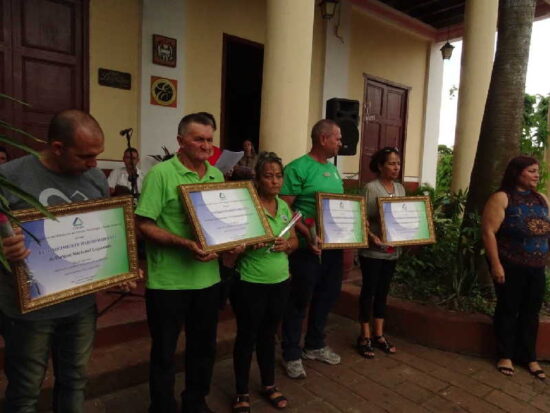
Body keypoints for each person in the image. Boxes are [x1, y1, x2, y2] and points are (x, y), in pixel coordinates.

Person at [0, 109, 109, 412]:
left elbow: (104, 230)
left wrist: (118, 265)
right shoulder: (10, 178)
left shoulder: (96, 179)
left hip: (81, 305)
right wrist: (4, 249)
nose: (94, 164)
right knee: (25, 391)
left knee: (75, 381)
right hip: (29, 310)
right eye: (86, 156)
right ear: (57, 147)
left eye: (97, 155)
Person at [135, 112, 225, 413]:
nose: (205, 145)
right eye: (198, 139)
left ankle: (195, 402)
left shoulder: (216, 176)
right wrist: (184, 244)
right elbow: (143, 224)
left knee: (204, 349)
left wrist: (229, 242)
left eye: (210, 139)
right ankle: (161, 406)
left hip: (208, 280)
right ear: (180, 141)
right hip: (168, 282)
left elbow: (220, 223)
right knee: (164, 352)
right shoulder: (160, 174)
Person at [230, 152, 298, 412]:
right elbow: (232, 243)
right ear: (257, 179)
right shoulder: (247, 206)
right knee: (247, 337)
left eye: (278, 176)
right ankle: (241, 391)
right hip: (250, 283)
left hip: (280, 281)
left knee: (269, 336)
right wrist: (247, 244)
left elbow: (294, 241)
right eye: (268, 176)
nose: (275, 181)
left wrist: (286, 244)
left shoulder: (283, 206)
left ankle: (268, 384)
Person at [279, 119, 344, 379]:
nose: (341, 143)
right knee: (299, 300)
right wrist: (307, 233)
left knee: (327, 295)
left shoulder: (334, 170)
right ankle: (291, 353)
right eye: (337, 138)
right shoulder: (297, 168)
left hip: (333, 247)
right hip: (306, 249)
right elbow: (284, 208)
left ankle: (315, 345)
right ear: (323, 139)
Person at [481, 155, 549, 379]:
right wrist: (496, 264)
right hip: (510, 264)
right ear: (516, 173)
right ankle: (505, 355)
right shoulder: (502, 198)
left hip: (537, 266)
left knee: (531, 312)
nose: (536, 175)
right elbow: (489, 232)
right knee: (508, 310)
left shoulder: (542, 199)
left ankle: (528, 357)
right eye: (531, 171)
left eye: (537, 171)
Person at [356, 147, 405, 359]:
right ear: (380, 166)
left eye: (398, 163)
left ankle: (379, 334)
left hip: (392, 252)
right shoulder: (371, 189)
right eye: (391, 163)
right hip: (373, 252)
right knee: (369, 291)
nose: (396, 168)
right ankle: (364, 336)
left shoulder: (401, 189)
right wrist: (371, 236)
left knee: (383, 292)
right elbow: (361, 218)